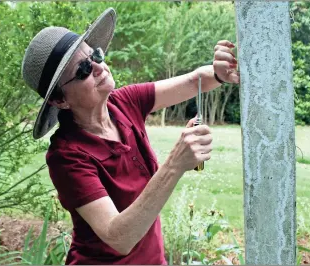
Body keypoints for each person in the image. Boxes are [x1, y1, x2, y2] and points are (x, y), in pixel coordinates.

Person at [21, 8, 239, 265]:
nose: (99, 68)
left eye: (96, 55)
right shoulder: (67, 156)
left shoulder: (125, 102)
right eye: (82, 70)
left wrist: (219, 73)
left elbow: (194, 82)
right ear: (60, 100)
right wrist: (174, 165)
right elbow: (119, 237)